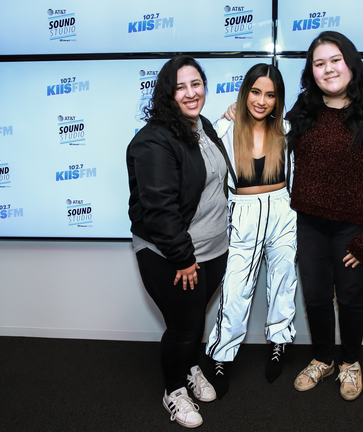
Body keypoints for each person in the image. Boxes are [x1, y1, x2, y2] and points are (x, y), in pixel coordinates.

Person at [286, 31, 363, 401]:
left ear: (350, 62)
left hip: (354, 228)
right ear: (311, 71)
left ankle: (350, 363)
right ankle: (323, 359)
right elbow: (268, 130)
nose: (328, 69)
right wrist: (235, 111)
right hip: (310, 223)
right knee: (316, 297)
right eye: (319, 63)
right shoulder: (304, 108)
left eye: (335, 60)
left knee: (351, 297)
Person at [126, 55, 236, 428]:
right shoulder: (153, 141)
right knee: (184, 326)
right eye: (180, 87)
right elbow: (159, 210)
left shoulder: (203, 125)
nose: (190, 93)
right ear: (166, 93)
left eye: (196, 84)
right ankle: (173, 390)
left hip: (214, 247)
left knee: (193, 318)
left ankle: (190, 366)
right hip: (171, 254)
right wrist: (183, 258)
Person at [204, 63, 297, 398]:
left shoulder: (287, 130)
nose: (261, 101)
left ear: (278, 99)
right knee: (235, 287)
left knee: (284, 279)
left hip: (282, 211)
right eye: (256, 92)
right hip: (242, 213)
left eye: (270, 95)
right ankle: (221, 354)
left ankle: (279, 341)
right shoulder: (223, 129)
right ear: (245, 93)